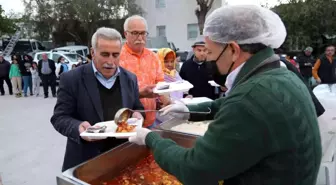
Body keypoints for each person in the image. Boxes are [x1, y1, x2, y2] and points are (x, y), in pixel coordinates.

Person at [128, 5, 322, 185]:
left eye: (211, 54)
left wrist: (151, 139)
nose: (209, 62)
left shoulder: (249, 98)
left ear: (233, 50)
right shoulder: (282, 74)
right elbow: (230, 103)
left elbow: (193, 168)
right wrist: (189, 110)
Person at [50, 27, 145, 172]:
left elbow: (136, 107)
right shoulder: (71, 79)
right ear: (93, 52)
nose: (111, 61)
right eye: (105, 54)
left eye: (115, 55)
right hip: (85, 161)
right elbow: (59, 117)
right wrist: (78, 127)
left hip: (123, 159)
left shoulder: (130, 79)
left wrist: (138, 115)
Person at [119, 15, 170, 128]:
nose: (140, 37)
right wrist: (140, 94)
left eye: (143, 33)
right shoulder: (117, 58)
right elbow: (115, 93)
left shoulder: (153, 57)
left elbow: (161, 84)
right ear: (125, 34)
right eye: (135, 33)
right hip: (126, 122)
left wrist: (168, 102)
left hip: (150, 121)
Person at [154, 48, 191, 125]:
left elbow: (179, 90)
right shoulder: (156, 76)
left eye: (171, 61)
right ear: (159, 61)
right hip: (163, 113)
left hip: (177, 109)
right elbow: (156, 95)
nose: (170, 64)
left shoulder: (175, 73)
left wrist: (186, 96)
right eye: (166, 61)